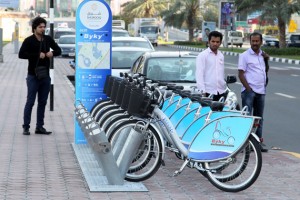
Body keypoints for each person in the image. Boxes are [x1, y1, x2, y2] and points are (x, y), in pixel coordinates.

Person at [19, 16, 61, 135]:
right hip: (33, 76)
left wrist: (51, 53)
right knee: (30, 102)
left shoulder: (47, 39)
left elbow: (59, 50)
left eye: (44, 27)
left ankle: (39, 127)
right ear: (34, 28)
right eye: (40, 27)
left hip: (45, 76)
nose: (43, 29)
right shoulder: (29, 40)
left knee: (42, 102)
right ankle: (26, 127)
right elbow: (21, 55)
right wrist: (37, 55)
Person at [238, 32, 269, 152]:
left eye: (257, 41)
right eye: (253, 41)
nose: (255, 43)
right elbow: (240, 74)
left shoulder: (262, 55)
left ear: (261, 42)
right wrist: (248, 89)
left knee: (259, 118)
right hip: (249, 91)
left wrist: (266, 60)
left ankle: (257, 144)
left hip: (261, 91)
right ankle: (243, 144)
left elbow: (265, 71)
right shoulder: (244, 56)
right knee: (247, 118)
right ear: (250, 41)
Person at [196, 31, 226, 101]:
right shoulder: (203, 55)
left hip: (221, 92)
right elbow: (199, 74)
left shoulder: (221, 55)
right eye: (213, 41)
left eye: (217, 42)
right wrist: (203, 92)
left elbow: (221, 73)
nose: (215, 44)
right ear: (209, 41)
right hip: (208, 92)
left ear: (220, 43)